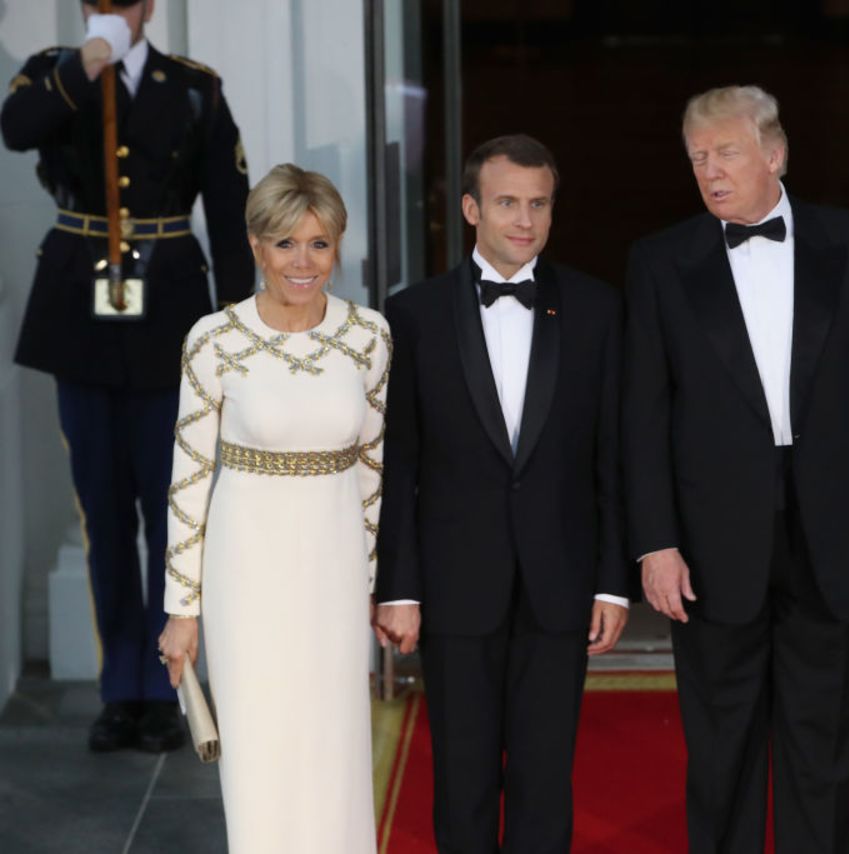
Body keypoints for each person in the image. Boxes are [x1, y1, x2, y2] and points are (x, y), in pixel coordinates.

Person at [624, 85, 849, 853]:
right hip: (710, 539)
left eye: (726, 152)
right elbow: (643, 416)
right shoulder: (660, 261)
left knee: (824, 744)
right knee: (720, 747)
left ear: (775, 153)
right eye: (698, 157)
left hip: (835, 527)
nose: (710, 171)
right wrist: (654, 542)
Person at [0, 0, 253, 752]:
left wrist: (239, 326)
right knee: (103, 513)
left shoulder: (195, 87)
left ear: (149, 6)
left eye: (123, 1)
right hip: (80, 314)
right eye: (98, 1)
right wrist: (88, 62)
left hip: (169, 312)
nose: (111, 10)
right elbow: (15, 132)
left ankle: (166, 681)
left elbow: (230, 202)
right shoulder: (53, 74)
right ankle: (121, 690)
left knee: (168, 511)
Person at [374, 134, 629, 853]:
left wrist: (612, 583)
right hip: (456, 585)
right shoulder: (413, 315)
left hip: (562, 582)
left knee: (547, 782)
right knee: (462, 780)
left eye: (539, 203)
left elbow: (613, 457)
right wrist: (400, 586)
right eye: (508, 202)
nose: (525, 219)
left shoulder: (597, 309)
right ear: (470, 209)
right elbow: (401, 461)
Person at [156, 164, 388, 854]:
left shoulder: (369, 335)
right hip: (245, 573)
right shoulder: (214, 339)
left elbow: (374, 471)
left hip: (337, 571)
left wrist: (377, 586)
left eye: (319, 244)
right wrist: (182, 608)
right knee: (259, 752)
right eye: (285, 244)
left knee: (336, 748)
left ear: (338, 246)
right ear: (256, 246)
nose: (303, 262)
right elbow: (189, 478)